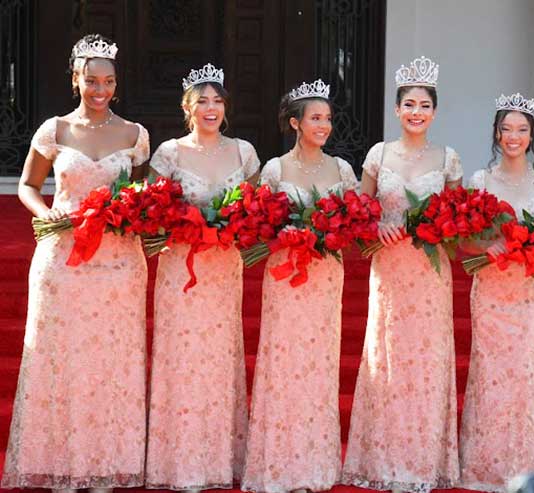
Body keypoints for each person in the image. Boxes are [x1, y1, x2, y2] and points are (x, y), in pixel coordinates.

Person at [2, 34, 150, 492]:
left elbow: (142, 195)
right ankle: (61, 464)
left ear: (116, 84)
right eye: (91, 80)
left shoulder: (135, 134)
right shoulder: (54, 130)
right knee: (61, 356)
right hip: (62, 258)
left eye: (108, 81)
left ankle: (105, 464)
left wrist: (132, 212)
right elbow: (27, 185)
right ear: (76, 80)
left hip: (118, 261)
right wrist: (46, 213)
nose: (100, 89)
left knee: (110, 359)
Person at [341, 56, 462, 493]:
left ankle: (422, 462)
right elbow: (360, 211)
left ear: (434, 112)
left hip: (430, 273)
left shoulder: (448, 158)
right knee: (388, 357)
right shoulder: (379, 154)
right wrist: (377, 225)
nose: (416, 112)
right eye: (409, 104)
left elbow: (459, 222)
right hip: (390, 268)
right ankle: (383, 460)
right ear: (396, 109)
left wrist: (441, 226)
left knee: (426, 361)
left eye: (424, 105)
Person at [242, 79, 357, 493]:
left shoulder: (342, 170)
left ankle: (314, 466)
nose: (324, 125)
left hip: (325, 275)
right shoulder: (274, 169)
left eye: (327, 118)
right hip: (286, 275)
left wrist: (337, 231)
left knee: (319, 363)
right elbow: (256, 222)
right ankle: (278, 466)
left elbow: (355, 221)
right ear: (295, 123)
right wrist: (284, 232)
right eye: (315, 118)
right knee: (284, 361)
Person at [146, 63, 257, 491]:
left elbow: (257, 209)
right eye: (202, 101)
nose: (211, 108)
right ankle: (179, 464)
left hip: (223, 268)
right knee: (183, 357)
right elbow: (150, 209)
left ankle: (218, 461)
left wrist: (238, 226)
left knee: (218, 358)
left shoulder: (244, 152)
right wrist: (176, 224)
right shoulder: (169, 153)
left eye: (217, 101)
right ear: (187, 108)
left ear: (226, 107)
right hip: (181, 268)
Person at [459, 92, 534, 492]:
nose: (513, 136)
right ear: (497, 134)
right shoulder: (480, 181)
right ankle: (485, 467)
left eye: (521, 129)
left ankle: (524, 463)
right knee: (490, 372)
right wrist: (490, 245)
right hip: (491, 288)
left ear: (532, 135)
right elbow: (464, 240)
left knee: (524, 371)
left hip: (529, 289)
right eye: (506, 129)